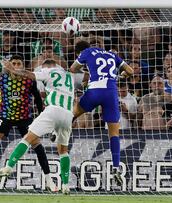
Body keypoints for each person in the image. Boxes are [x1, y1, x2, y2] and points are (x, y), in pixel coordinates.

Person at [0, 58, 83, 194]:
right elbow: (86, 76)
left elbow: (27, 74)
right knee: (63, 151)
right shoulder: (70, 74)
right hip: (68, 115)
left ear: (46, 67)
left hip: (53, 109)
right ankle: (65, 185)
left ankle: (9, 167)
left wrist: (12, 69)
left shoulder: (48, 72)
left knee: (28, 138)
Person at [0, 56, 57, 191]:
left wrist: (42, 114)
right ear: (8, 66)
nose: (16, 66)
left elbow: (37, 98)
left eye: (19, 64)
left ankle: (49, 180)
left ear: (23, 66)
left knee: (38, 147)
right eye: (14, 63)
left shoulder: (29, 80)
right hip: (5, 116)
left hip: (24, 118)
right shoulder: (1, 78)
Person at [69, 41, 133, 186]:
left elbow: (72, 68)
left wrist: (86, 71)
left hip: (95, 90)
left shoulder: (86, 52)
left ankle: (57, 131)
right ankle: (116, 167)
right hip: (111, 93)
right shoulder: (112, 54)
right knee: (114, 134)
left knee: (73, 114)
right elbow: (130, 71)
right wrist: (120, 76)